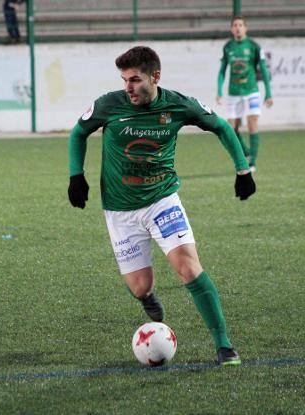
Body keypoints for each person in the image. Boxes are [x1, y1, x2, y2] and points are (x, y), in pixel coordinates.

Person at [67, 46, 256, 365]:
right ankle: (148, 298)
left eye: (135, 80)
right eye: (124, 80)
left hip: (162, 200)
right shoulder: (108, 105)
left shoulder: (178, 104)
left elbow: (222, 127)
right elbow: (78, 132)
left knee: (188, 267)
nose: (128, 87)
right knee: (140, 287)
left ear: (155, 77)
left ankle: (224, 346)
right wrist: (76, 176)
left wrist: (242, 170)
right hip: (120, 210)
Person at [216, 16, 273, 172]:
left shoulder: (254, 46)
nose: (238, 28)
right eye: (235, 25)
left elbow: (264, 71)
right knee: (231, 128)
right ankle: (247, 152)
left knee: (251, 122)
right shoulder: (228, 47)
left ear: (245, 28)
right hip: (234, 92)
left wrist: (268, 93)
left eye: (240, 25)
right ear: (231, 29)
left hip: (251, 91)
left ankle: (252, 161)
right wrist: (219, 91)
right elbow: (222, 71)